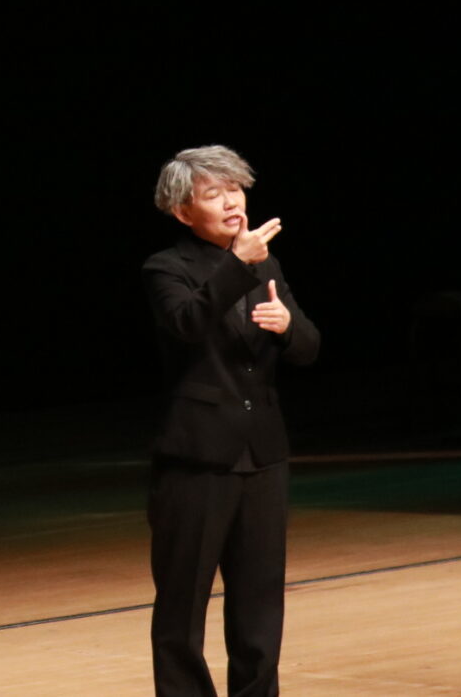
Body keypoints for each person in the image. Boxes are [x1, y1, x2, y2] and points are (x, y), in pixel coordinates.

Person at [142, 145, 320, 697]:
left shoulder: (268, 263)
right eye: (213, 193)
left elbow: (309, 348)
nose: (231, 201)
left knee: (260, 605)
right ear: (183, 212)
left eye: (236, 189)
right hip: (197, 458)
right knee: (182, 609)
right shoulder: (166, 268)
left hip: (263, 454)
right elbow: (187, 324)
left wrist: (288, 325)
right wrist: (237, 264)